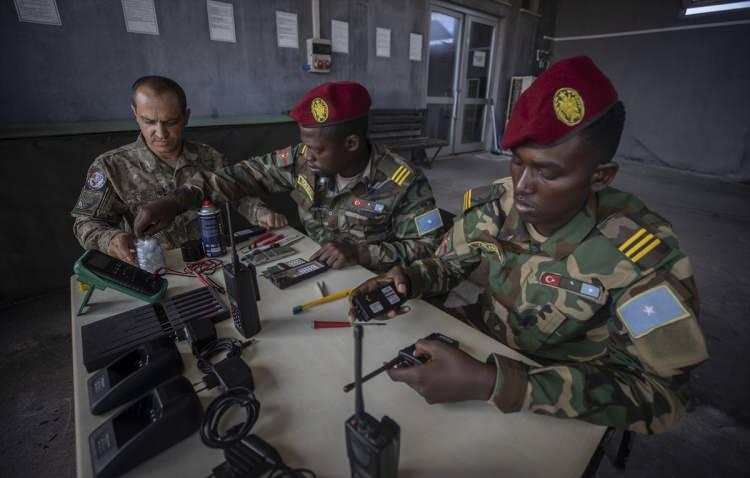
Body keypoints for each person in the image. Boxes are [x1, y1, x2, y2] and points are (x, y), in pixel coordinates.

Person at [347, 57, 709, 434]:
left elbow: (664, 395)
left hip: (560, 379)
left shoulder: (642, 255)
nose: (521, 188)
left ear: (599, 177)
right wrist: (408, 279)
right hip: (482, 341)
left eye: (547, 172)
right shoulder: (495, 204)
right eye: (518, 163)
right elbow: (448, 266)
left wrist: (496, 383)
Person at [134, 81, 444, 271]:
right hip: (314, 269)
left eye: (315, 149)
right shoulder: (301, 160)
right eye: (305, 146)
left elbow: (431, 248)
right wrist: (176, 201)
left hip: (374, 282)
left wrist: (363, 253)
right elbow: (240, 176)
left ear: (351, 143)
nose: (306, 156)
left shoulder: (402, 181)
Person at [71, 76, 259, 264]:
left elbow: (238, 193)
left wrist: (262, 213)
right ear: (135, 114)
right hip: (157, 269)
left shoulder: (209, 157)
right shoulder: (110, 167)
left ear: (185, 117)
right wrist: (111, 239)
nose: (161, 133)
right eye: (149, 122)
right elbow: (84, 224)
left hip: (213, 261)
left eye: (170, 122)